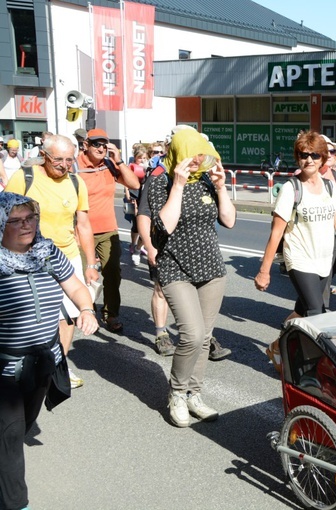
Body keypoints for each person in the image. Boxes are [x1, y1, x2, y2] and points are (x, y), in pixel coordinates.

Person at [0, 192, 98, 510]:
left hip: (44, 360)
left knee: (24, 425)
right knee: (11, 436)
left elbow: (74, 285)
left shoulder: (46, 251)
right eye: (15, 220)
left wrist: (86, 309)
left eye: (30, 218)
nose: (26, 225)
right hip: (5, 369)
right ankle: (16, 504)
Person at [255, 131, 336, 371]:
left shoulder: (329, 187)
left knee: (303, 309)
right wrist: (264, 271)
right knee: (317, 313)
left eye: (315, 155)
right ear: (297, 157)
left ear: (323, 158)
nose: (309, 160)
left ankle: (277, 346)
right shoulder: (291, 189)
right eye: (304, 155)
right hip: (300, 258)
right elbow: (276, 233)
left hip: (324, 259)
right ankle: (312, 368)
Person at [146, 128, 236, 427]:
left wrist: (222, 188)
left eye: (202, 156)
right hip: (175, 269)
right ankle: (177, 394)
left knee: (206, 337)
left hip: (211, 269)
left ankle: (194, 394)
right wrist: (179, 185)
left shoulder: (208, 181)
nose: (198, 161)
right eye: (192, 155)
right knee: (192, 335)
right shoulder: (161, 181)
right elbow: (164, 227)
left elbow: (229, 220)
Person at [4, 135, 100, 389]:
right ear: (44, 156)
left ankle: (58, 366)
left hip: (65, 254)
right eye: (58, 159)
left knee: (69, 313)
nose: (64, 165)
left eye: (69, 160)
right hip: (26, 257)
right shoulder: (25, 177)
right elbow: (5, 214)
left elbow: (83, 224)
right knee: (33, 311)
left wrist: (90, 264)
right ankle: (22, 363)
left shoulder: (76, 182)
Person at [76, 128, 140, 333]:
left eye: (104, 144)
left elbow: (134, 184)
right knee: (85, 274)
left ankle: (111, 314)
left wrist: (119, 161)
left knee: (113, 273)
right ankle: (86, 310)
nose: (101, 148)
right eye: (96, 143)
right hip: (80, 230)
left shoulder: (110, 165)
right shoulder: (74, 165)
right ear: (85, 145)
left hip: (107, 230)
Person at [127, 146, 148, 266]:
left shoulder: (147, 168)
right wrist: (134, 204)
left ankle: (139, 246)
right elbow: (130, 185)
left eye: (145, 158)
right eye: (140, 158)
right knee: (136, 226)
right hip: (136, 198)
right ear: (135, 158)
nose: (142, 160)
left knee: (144, 228)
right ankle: (134, 244)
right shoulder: (132, 168)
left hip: (144, 199)